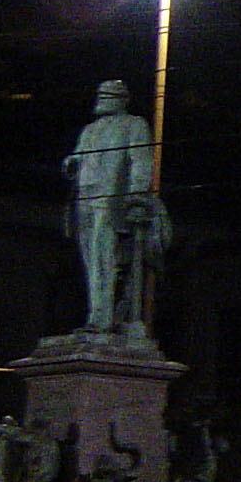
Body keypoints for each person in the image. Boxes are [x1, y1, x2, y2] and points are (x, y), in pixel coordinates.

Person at [65, 79, 159, 333]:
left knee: (103, 256)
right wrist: (72, 163)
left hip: (109, 198)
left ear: (121, 100)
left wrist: (136, 195)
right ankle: (94, 313)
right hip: (84, 197)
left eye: (108, 95)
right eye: (101, 95)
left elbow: (141, 160)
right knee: (89, 258)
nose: (102, 99)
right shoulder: (89, 130)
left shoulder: (133, 125)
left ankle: (102, 318)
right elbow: (79, 156)